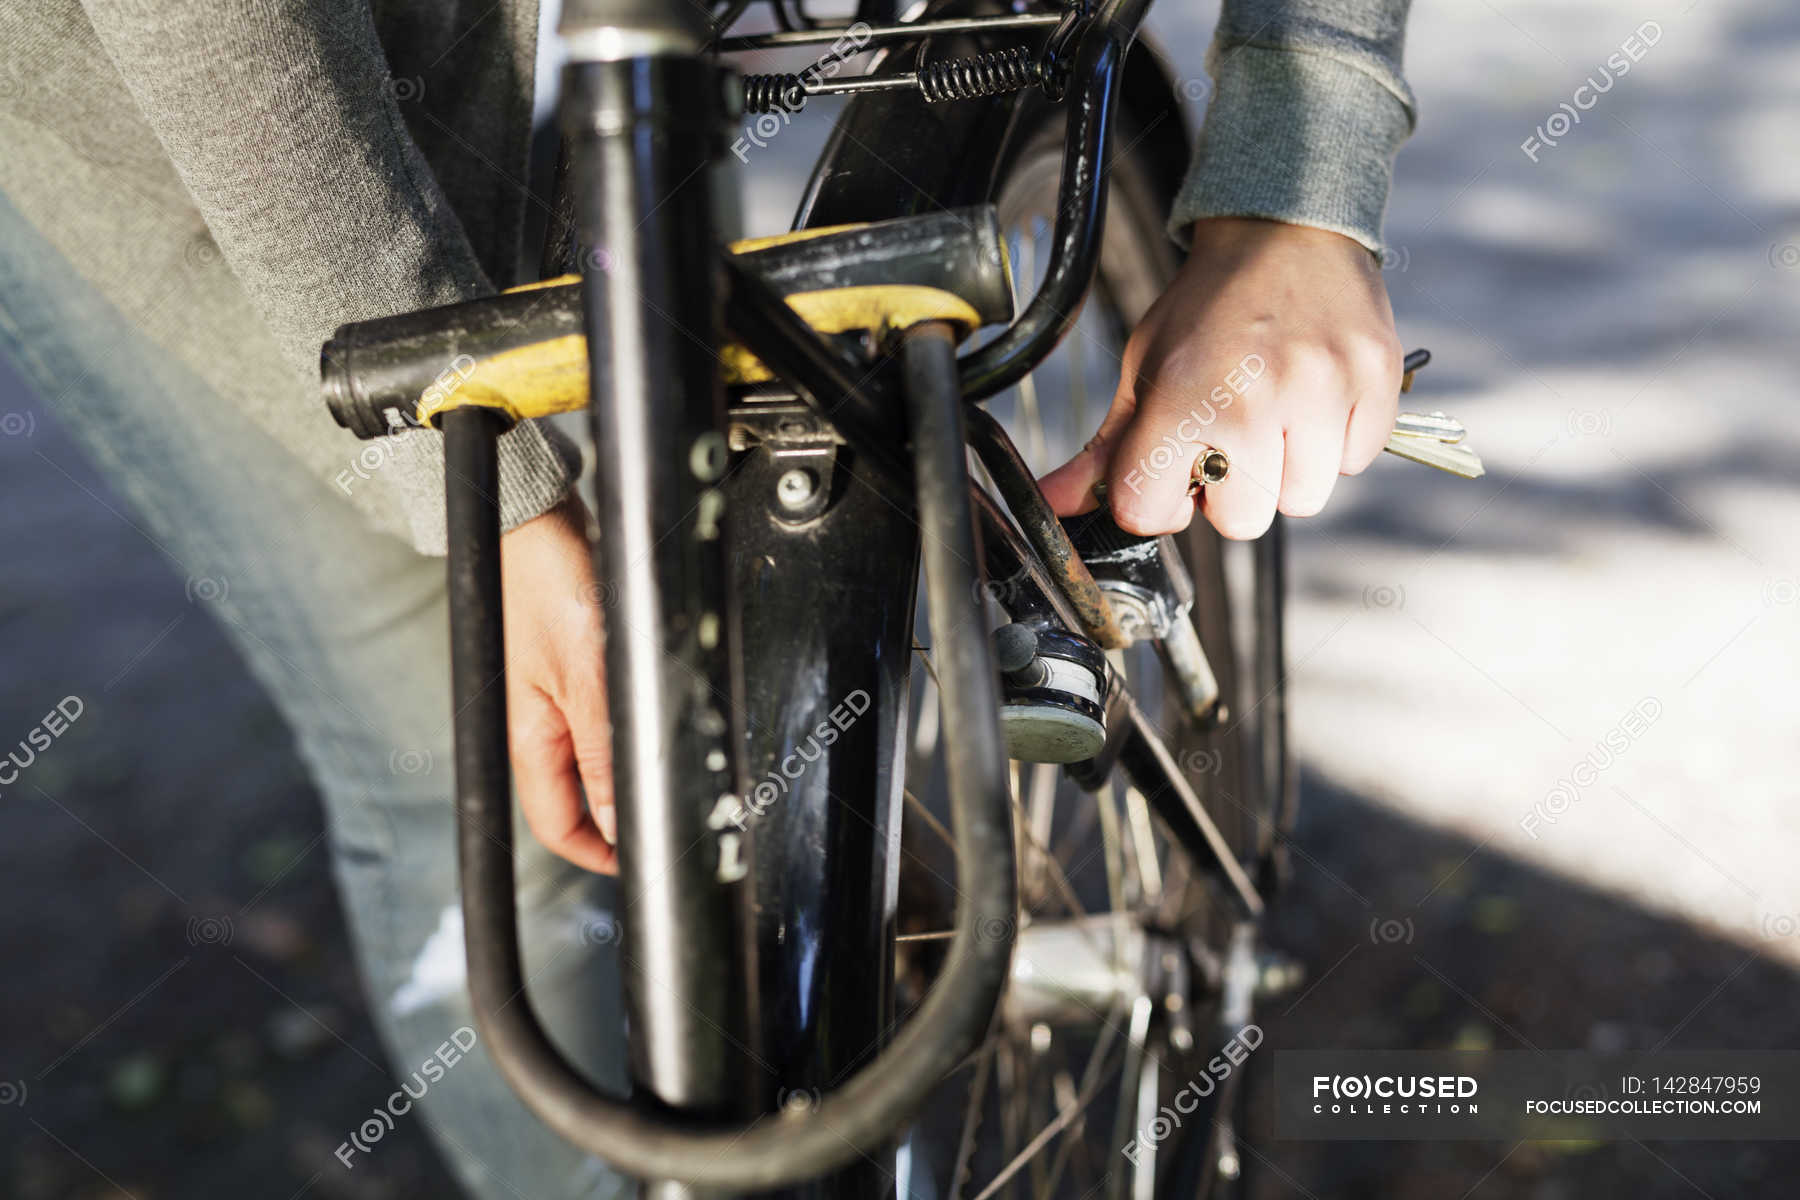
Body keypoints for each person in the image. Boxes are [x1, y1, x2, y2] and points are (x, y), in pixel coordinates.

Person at [0, 0, 1411, 1194]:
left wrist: (1298, 184)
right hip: (195, 89)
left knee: (643, 570)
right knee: (476, 750)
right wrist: (488, 499)